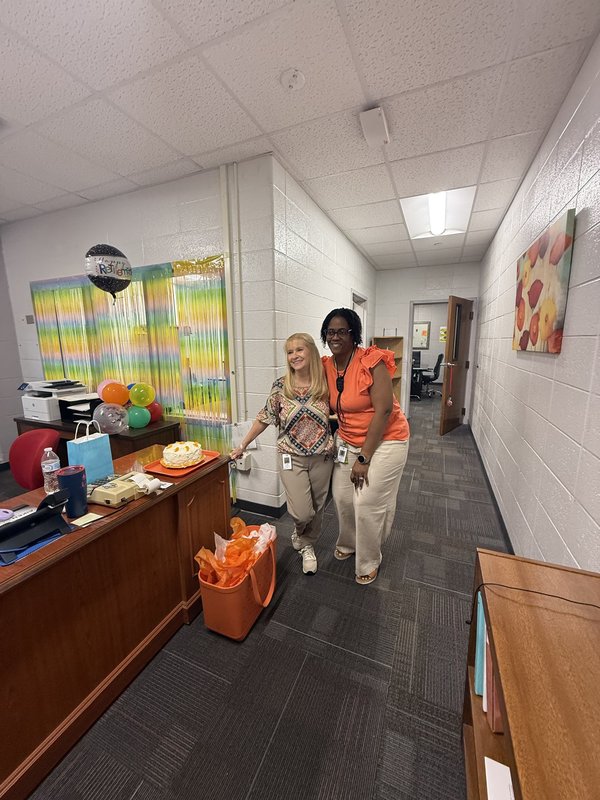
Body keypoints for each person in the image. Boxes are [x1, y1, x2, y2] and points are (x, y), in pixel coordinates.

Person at [230, 333, 334, 575]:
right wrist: (243, 444)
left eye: (299, 350)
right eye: (289, 352)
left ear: (311, 352)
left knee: (318, 508)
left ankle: (307, 547)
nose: (294, 356)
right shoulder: (281, 385)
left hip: (323, 456)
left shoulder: (325, 383)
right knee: (302, 511)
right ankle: (300, 533)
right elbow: (264, 417)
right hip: (291, 456)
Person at [320, 308, 410, 585]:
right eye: (330, 332)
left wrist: (364, 458)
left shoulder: (372, 361)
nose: (336, 337)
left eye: (342, 331)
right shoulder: (327, 365)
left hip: (386, 440)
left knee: (368, 501)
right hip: (347, 439)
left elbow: (383, 411)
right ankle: (348, 542)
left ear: (354, 334)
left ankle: (369, 559)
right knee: (344, 497)